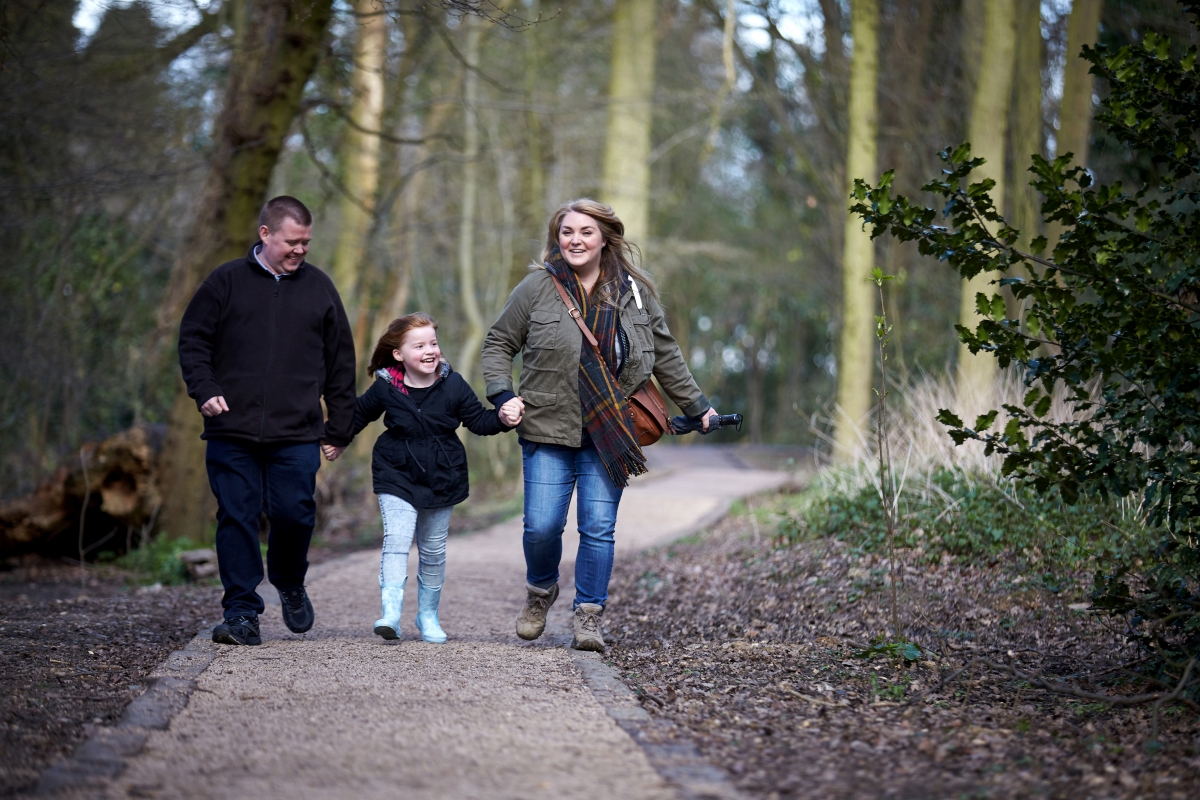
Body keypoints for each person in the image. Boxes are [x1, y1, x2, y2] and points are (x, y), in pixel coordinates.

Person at [482, 198, 716, 653]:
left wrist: (698, 404)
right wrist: (502, 393)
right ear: (557, 237)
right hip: (547, 424)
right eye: (567, 232)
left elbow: (665, 354)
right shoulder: (537, 287)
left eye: (585, 232)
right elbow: (498, 341)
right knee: (541, 527)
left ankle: (588, 616)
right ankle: (540, 591)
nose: (575, 240)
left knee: (597, 526)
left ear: (605, 237)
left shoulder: (634, 292)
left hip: (611, 427)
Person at [178, 196, 356, 646]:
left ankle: (290, 581)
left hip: (296, 429)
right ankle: (241, 612)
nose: (300, 250)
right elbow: (193, 340)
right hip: (231, 427)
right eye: (292, 242)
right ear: (265, 234)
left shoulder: (319, 288)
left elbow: (340, 363)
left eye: (306, 243)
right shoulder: (226, 281)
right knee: (236, 516)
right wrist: (205, 389)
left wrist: (339, 427)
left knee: (295, 514)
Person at [347, 313, 525, 642]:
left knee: (432, 551)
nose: (430, 350)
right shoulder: (386, 388)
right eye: (420, 345)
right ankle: (390, 613)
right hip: (395, 472)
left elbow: (479, 422)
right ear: (399, 354)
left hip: (443, 476)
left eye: (433, 343)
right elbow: (355, 416)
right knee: (398, 539)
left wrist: (503, 416)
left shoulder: (453, 385)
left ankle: (427, 614)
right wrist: (331, 439)